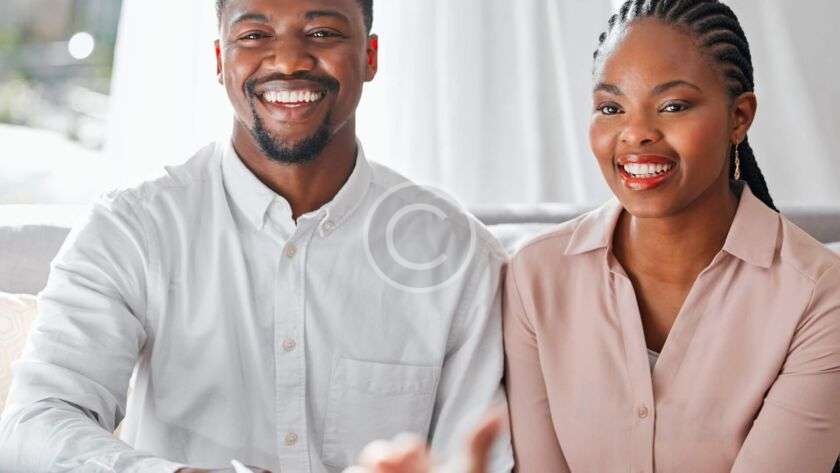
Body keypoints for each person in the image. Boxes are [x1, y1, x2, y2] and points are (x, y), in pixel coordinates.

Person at [0, 1, 513, 472]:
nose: (288, 60)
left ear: (370, 57)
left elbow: (477, 457)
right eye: (254, 35)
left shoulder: (457, 253)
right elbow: (35, 421)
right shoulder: (131, 228)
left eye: (322, 32)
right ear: (220, 60)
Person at [503, 0, 840, 472]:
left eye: (673, 106)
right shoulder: (535, 276)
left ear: (739, 117)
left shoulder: (820, 296)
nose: (636, 133)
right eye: (611, 108)